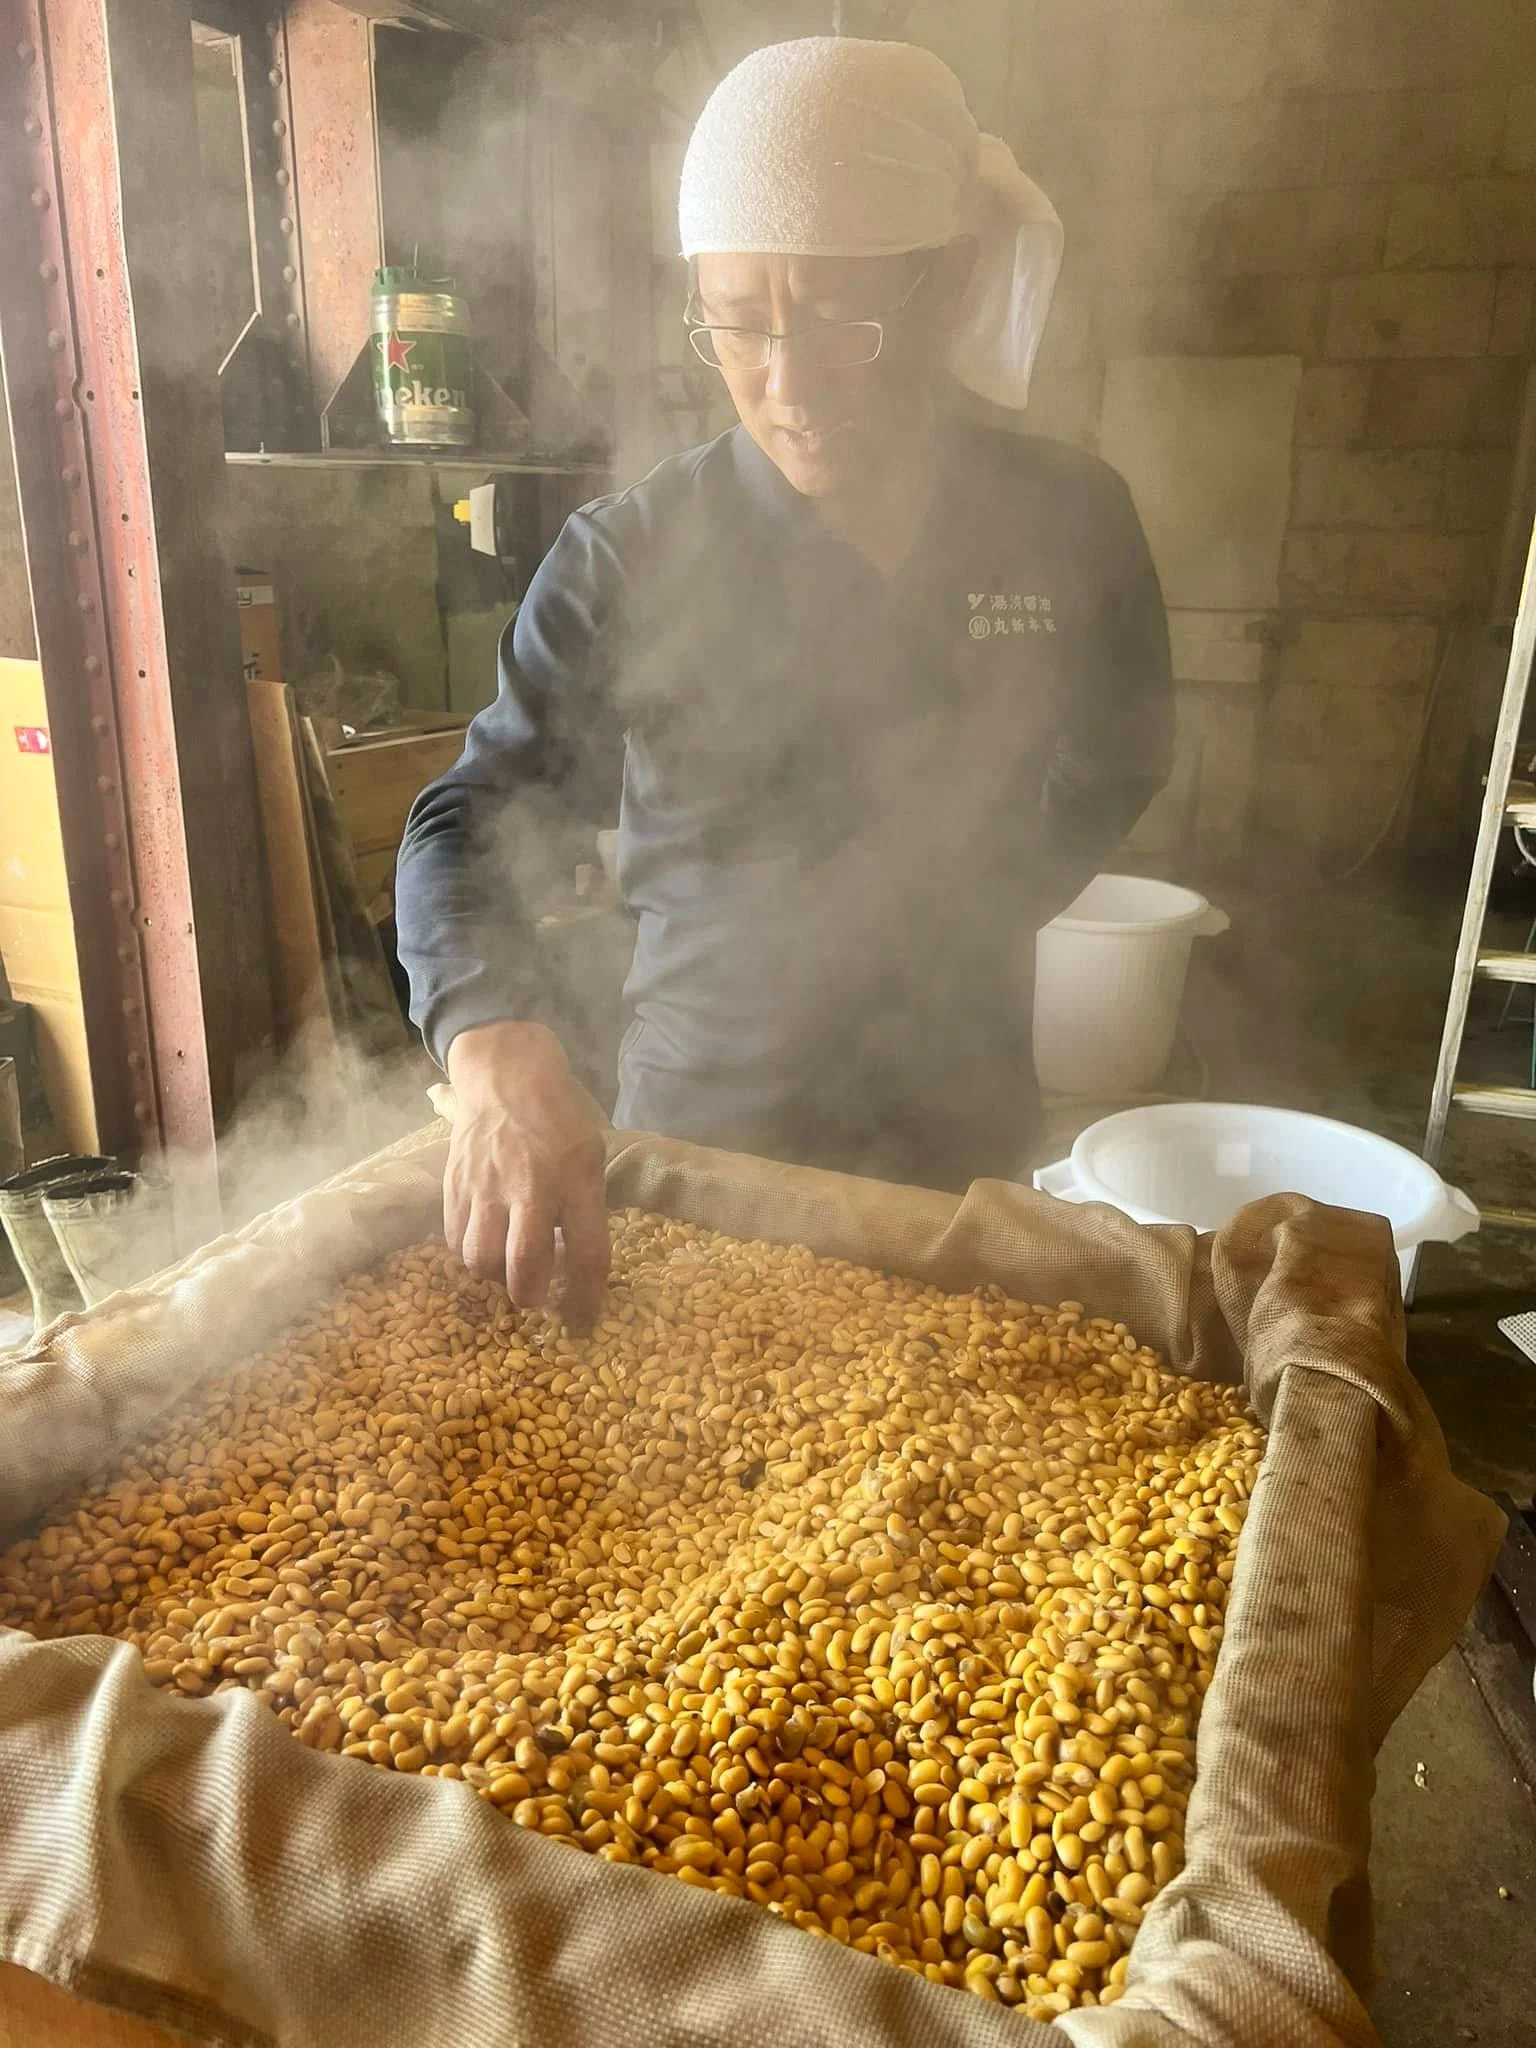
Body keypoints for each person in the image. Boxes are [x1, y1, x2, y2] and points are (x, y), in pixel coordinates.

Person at [396, 37, 1172, 1320]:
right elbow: (469, 813)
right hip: (702, 1149)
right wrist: (491, 1040)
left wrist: (973, 907)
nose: (787, 384)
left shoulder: (1070, 519)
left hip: (957, 1146)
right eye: (739, 325)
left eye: (838, 325)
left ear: (947, 282)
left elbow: (1121, 749)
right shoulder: (630, 554)